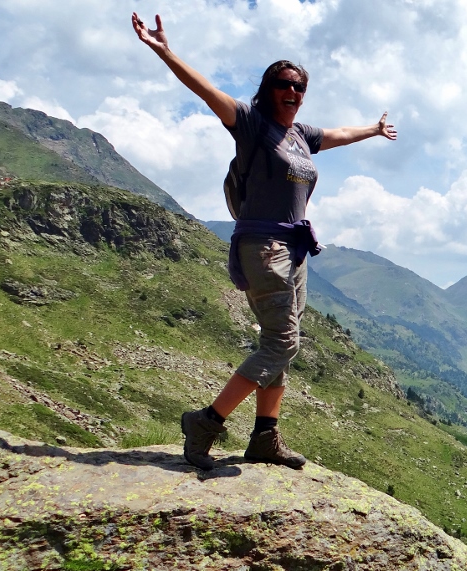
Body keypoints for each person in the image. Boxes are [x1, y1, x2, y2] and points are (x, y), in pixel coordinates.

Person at [133, 13, 397, 470]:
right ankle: (206, 421)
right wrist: (164, 51)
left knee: (280, 345)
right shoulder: (253, 123)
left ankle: (264, 438)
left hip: (294, 252)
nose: (293, 93)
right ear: (268, 87)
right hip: (264, 249)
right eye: (284, 84)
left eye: (299, 87)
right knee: (281, 343)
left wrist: (372, 130)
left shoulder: (300, 135)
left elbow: (334, 135)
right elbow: (206, 91)